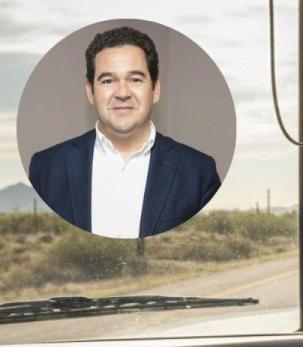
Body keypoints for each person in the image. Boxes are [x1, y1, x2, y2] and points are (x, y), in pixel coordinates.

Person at [28, 26, 220, 238]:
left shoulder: (199, 173)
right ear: (90, 92)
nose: (122, 93)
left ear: (155, 90)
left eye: (135, 79)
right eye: (108, 81)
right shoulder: (45, 169)